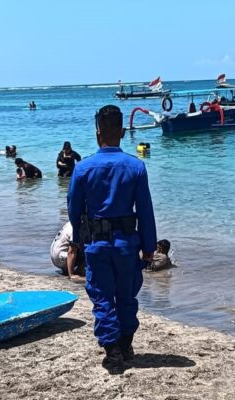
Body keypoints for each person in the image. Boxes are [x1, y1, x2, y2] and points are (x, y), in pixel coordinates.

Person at [67, 104, 157, 374]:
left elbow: (74, 209)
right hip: (127, 244)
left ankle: (113, 350)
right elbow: (145, 210)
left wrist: (80, 240)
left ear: (98, 134)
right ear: (122, 131)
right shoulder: (136, 167)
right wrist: (149, 247)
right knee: (127, 296)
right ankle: (126, 344)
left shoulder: (83, 169)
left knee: (102, 297)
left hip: (97, 244)